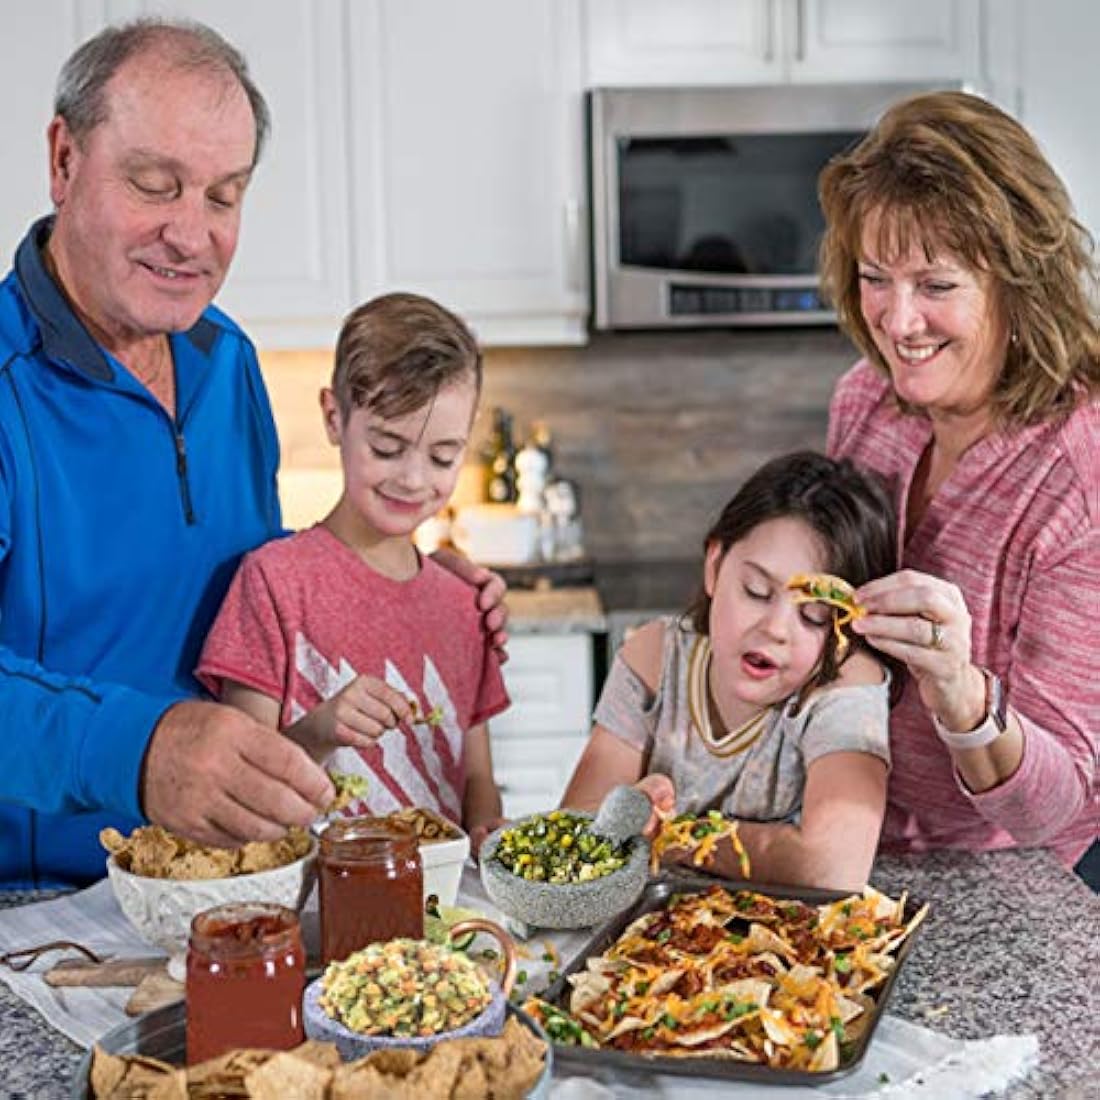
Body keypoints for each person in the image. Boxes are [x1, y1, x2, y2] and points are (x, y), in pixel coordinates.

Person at [0, 19, 503, 888]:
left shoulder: (226, 359)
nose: (191, 235)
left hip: (235, 884)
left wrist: (392, 573)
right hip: (40, 908)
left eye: (223, 197)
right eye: (156, 186)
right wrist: (139, 748)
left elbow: (263, 591)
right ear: (64, 159)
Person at [817, 89, 1099, 880]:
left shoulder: (1080, 477)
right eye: (876, 277)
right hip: (857, 838)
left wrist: (959, 688)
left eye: (936, 286)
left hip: (1010, 880)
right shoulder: (865, 403)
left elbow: (1053, 809)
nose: (899, 322)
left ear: (1021, 282)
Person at [196, 293, 509, 854]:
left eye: (442, 457)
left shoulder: (465, 603)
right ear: (334, 418)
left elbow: (477, 779)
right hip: (312, 900)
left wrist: (488, 833)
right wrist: (322, 727)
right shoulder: (273, 584)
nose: (414, 479)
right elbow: (241, 788)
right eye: (388, 448)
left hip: (435, 910)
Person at [562, 451, 900, 891]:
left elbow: (833, 867)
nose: (775, 629)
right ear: (714, 566)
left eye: (815, 615)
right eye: (756, 592)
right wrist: (627, 812)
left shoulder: (845, 685)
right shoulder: (655, 659)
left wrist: (667, 833)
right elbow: (579, 830)